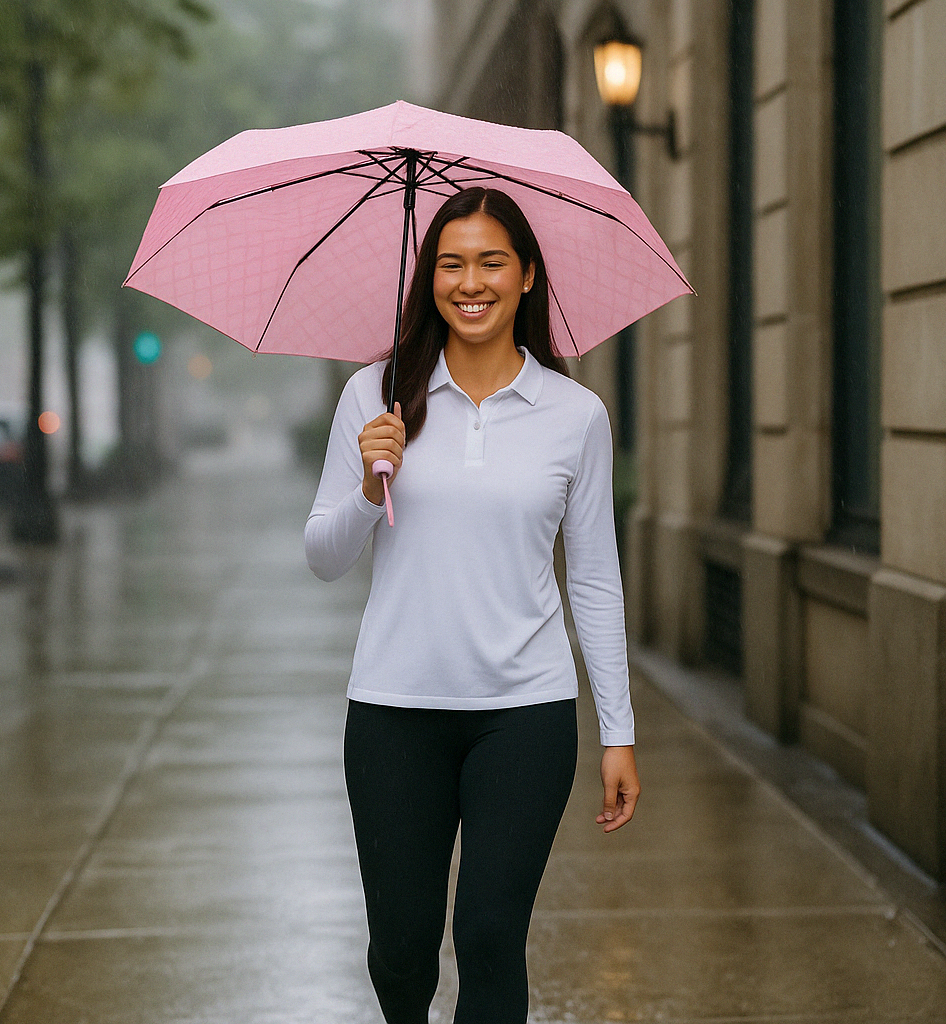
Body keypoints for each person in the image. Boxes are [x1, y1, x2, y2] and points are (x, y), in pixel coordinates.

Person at [305, 186, 639, 1024]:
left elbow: (594, 577)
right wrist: (368, 480)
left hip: (524, 714)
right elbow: (323, 557)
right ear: (430, 281)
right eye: (450, 263)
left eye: (492, 261)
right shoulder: (374, 397)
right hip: (393, 710)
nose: (470, 281)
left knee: (490, 936)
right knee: (402, 950)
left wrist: (618, 731)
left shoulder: (575, 415)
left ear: (527, 276)